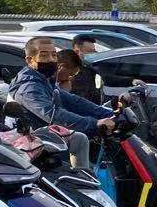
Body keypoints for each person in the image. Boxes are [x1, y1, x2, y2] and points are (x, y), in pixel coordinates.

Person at [8, 36, 115, 168]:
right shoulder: (29, 87)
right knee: (80, 140)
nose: (51, 60)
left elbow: (74, 101)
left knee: (82, 140)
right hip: (32, 144)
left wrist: (108, 113)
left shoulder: (44, 79)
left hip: (48, 136)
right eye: (44, 56)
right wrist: (94, 123)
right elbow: (53, 115)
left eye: (54, 55)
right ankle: (80, 178)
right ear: (30, 60)